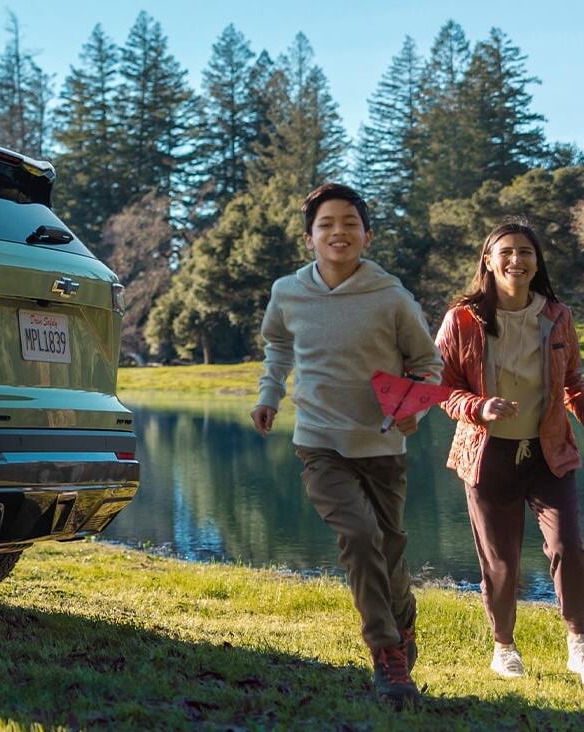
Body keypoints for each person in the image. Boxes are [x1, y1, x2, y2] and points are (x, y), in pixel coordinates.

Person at [251, 183, 444, 705]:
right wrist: (270, 393)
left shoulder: (391, 296)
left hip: (382, 448)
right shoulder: (287, 292)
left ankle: (401, 629)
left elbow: (428, 365)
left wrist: (413, 410)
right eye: (326, 224)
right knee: (359, 539)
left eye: (349, 224)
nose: (338, 232)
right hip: (319, 442)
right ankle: (387, 656)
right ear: (309, 237)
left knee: (391, 554)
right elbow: (278, 344)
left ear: (367, 235)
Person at [433, 222, 584, 686]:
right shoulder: (462, 318)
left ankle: (579, 646)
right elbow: (439, 387)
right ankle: (504, 648)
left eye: (525, 252)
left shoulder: (557, 315)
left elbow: (572, 383)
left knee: (568, 548)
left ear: (537, 262)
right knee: (500, 561)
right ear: (488, 260)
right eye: (506, 252)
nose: (515, 260)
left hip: (549, 454)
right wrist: (478, 406)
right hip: (486, 455)